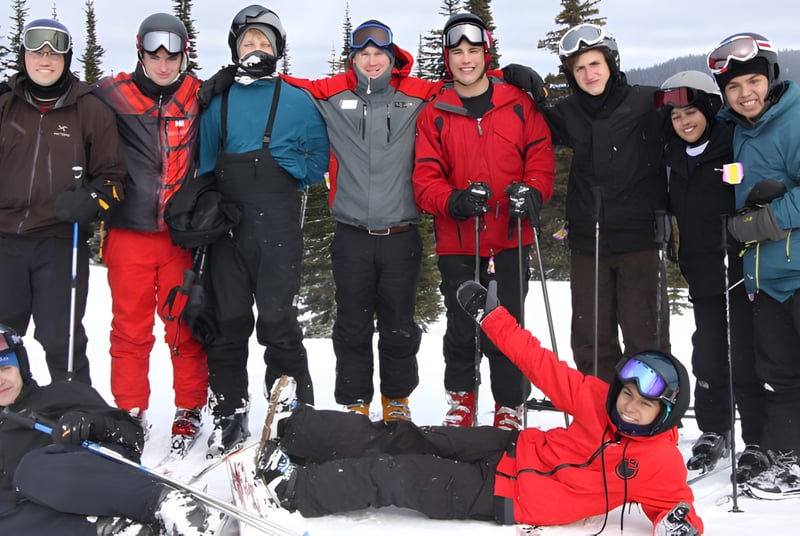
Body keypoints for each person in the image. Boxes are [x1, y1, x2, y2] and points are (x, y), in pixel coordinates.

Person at [253, 282, 703, 535]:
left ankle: (292, 489)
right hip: (510, 446)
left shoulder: (660, 462)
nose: (628, 407)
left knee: (398, 474)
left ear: (665, 413)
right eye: (627, 394)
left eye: (644, 405)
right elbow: (538, 363)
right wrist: (493, 318)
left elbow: (677, 506)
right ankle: (298, 428)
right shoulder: (596, 400)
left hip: (505, 498)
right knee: (403, 434)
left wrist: (681, 525)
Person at [274, 19, 441, 422]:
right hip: (351, 235)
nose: (371, 60)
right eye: (362, 54)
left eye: (378, 54)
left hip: (401, 234)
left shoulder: (418, 94)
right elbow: (286, 83)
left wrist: (508, 74)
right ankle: (354, 401)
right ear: (353, 59)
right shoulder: (332, 94)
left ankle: (397, 400)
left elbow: (466, 80)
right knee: (351, 324)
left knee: (400, 324)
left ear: (391, 57)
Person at [197, 5, 329, 457]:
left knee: (278, 323)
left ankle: (293, 415)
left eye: (264, 43)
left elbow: (318, 161)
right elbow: (206, 162)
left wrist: (292, 168)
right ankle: (229, 413)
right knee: (229, 323)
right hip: (228, 226)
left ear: (279, 51)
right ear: (235, 48)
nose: (256, 49)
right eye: (248, 42)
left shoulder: (296, 99)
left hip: (276, 224)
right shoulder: (219, 100)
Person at [412, 13, 555, 429]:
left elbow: (541, 159)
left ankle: (510, 404)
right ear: (447, 58)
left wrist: (531, 192)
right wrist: (453, 200)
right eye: (457, 52)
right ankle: (461, 401)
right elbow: (424, 179)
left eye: (473, 51)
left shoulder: (517, 103)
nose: (465, 59)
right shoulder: (435, 113)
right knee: (461, 326)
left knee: (508, 324)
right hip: (459, 240)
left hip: (510, 236)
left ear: (485, 54)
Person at [92, 13, 207, 456]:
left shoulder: (198, 94)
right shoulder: (112, 94)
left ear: (183, 55)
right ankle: (130, 411)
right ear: (140, 50)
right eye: (155, 53)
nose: (163, 62)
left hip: (178, 235)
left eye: (172, 53)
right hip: (129, 232)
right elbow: (66, 97)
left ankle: (190, 407)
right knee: (129, 329)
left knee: (183, 326)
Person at [535, 23, 670, 383]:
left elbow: (695, 122)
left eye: (595, 64)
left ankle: (651, 417)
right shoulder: (567, 113)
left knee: (646, 338)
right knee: (591, 339)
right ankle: (598, 413)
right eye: (579, 68)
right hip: (588, 241)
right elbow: (523, 127)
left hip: (640, 240)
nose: (588, 74)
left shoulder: (647, 102)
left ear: (611, 64)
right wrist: (518, 84)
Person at [0, 18, 126, 385]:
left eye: (54, 52)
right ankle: (10, 421)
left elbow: (114, 178)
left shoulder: (90, 110)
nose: (45, 59)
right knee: (3, 340)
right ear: (24, 56)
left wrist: (91, 200)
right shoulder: (5, 106)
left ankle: (72, 411)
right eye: (36, 50)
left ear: (66, 58)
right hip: (5, 242)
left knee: (62, 338)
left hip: (59, 243)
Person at [0, 325, 215, 535]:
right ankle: (120, 531)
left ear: (21, 366)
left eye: (5, 368)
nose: (1, 380)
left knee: (30, 470)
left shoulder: (59, 395)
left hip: (112, 487)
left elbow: (132, 438)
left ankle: (168, 504)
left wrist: (92, 425)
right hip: (75, 525)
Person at [654, 71, 766, 473]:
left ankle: (757, 435)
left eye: (691, 112)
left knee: (747, 353)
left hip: (740, 267)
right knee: (709, 353)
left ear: (708, 108)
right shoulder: (671, 154)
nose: (684, 121)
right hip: (701, 268)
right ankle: (714, 428)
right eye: (676, 116)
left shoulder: (732, 142)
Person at [709, 32, 800, 497]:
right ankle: (789, 457)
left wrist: (766, 220)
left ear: (770, 78)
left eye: (753, 81)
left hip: (797, 272)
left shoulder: (795, 119)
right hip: (764, 279)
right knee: (781, 376)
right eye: (734, 87)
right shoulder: (737, 131)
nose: (745, 94)